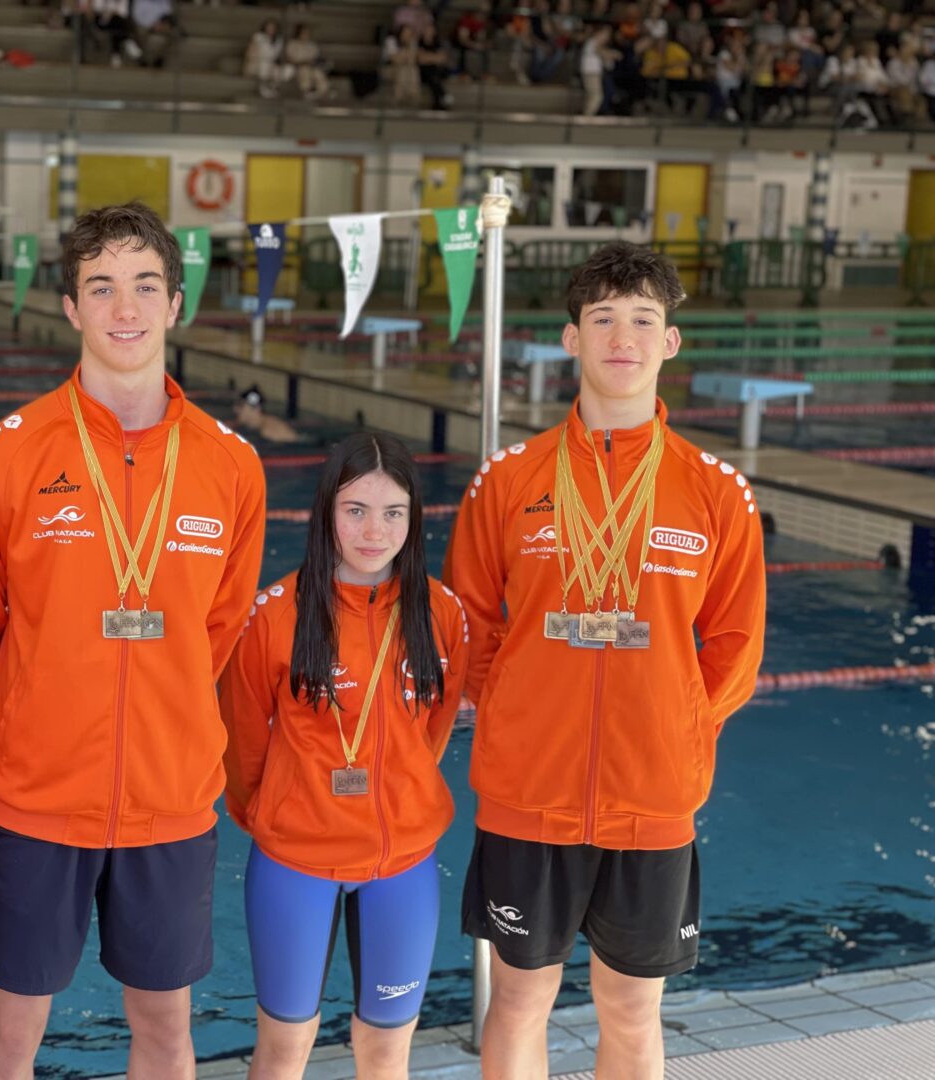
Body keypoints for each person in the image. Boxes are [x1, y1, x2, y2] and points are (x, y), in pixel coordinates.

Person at [0, 202, 267, 1080]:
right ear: (71, 308)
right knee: (10, 1036)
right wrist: (44, 712)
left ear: (174, 305)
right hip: (38, 797)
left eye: (143, 286)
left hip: (170, 798)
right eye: (101, 287)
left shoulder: (230, 463)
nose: (124, 308)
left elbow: (221, 629)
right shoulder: (2, 458)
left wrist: (159, 716)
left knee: (166, 1032)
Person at [445, 242, 766, 1080]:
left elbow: (736, 644)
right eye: (603, 319)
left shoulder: (715, 490)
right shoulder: (508, 482)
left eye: (643, 320)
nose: (622, 336)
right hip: (528, 794)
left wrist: (678, 724)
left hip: (652, 796)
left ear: (670, 343)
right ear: (569, 339)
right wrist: (515, 707)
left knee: (631, 1009)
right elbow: (468, 622)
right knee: (518, 1003)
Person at [220, 432, 470, 1079]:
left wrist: (402, 794)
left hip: (403, 868)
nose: (374, 530)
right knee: (282, 1049)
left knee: (387, 1052)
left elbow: (432, 734)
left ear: (414, 519)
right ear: (326, 510)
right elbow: (243, 746)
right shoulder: (275, 615)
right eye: (356, 509)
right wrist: (286, 814)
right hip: (295, 864)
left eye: (393, 512)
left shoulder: (442, 614)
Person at [233, 385, 300, 444]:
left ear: (255, 409)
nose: (235, 409)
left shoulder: (268, 432)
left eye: (240, 406)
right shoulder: (256, 426)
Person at [285, 23, 330, 100]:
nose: (306, 35)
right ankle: (306, 91)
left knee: (318, 73)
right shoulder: (292, 44)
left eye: (307, 33)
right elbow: (290, 59)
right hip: (298, 67)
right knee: (304, 71)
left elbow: (316, 58)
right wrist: (303, 62)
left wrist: (313, 63)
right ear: (298, 33)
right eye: (304, 33)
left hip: (312, 67)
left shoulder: (312, 45)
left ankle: (322, 92)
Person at [245, 19, 288, 98]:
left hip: (272, 63)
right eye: (269, 27)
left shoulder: (279, 40)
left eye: (272, 27)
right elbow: (251, 52)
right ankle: (263, 87)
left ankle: (272, 86)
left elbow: (280, 55)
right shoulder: (258, 37)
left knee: (286, 70)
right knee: (264, 67)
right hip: (259, 61)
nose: (270, 29)